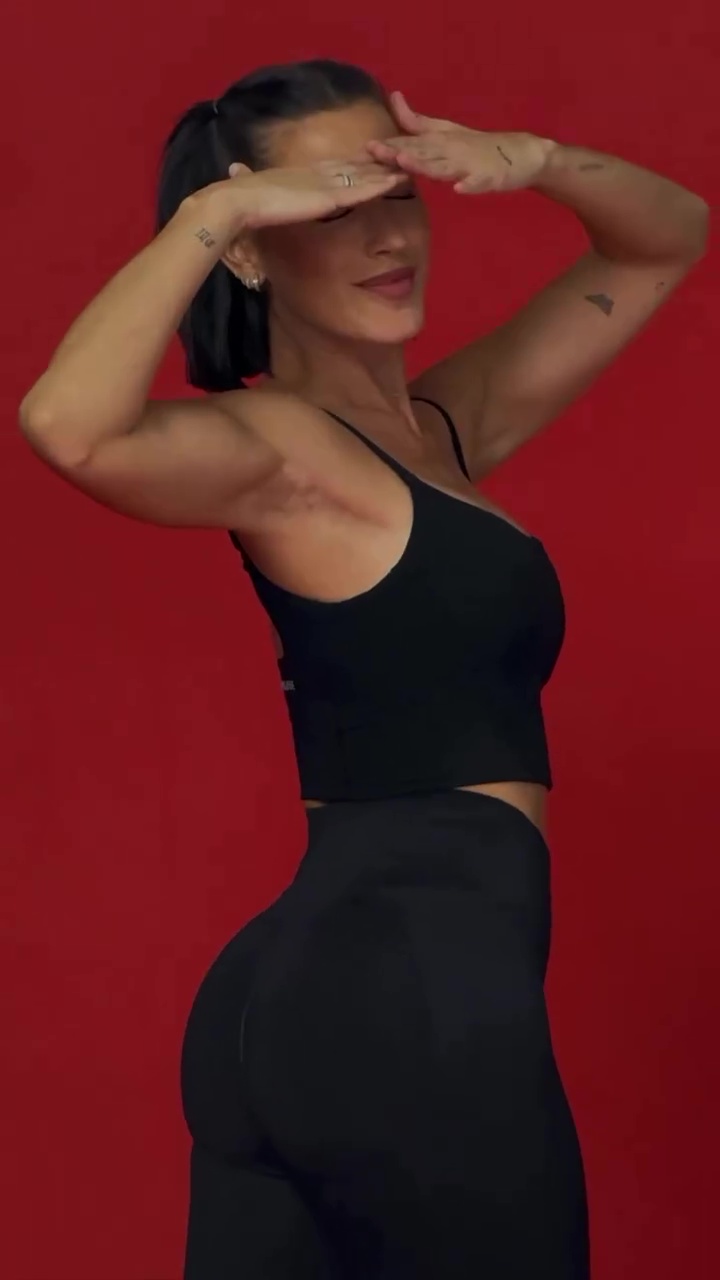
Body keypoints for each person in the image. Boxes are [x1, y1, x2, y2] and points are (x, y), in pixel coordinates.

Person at [19, 58, 708, 1280]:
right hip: (415, 989)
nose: (388, 236)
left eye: (398, 195)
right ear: (257, 243)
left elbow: (669, 236)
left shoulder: (439, 430)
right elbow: (68, 426)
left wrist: (529, 158)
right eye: (335, 206)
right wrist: (219, 209)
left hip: (304, 994)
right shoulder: (279, 447)